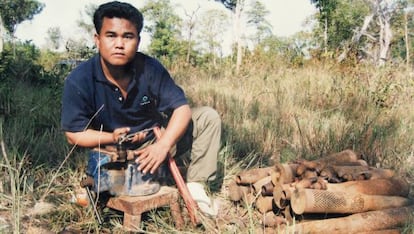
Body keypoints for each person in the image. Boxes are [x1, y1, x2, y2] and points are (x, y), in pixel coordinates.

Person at [60, 1, 221, 217]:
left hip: (154, 141)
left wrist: (163, 145)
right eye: (111, 35)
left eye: (128, 36)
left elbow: (181, 109)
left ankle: (196, 186)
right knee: (110, 178)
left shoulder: (150, 68)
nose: (119, 44)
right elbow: (74, 134)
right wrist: (111, 137)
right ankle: (118, 186)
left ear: (138, 41)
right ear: (97, 39)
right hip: (113, 151)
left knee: (207, 117)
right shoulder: (79, 80)